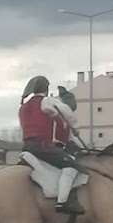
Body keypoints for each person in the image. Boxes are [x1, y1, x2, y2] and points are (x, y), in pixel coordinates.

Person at [18, 75, 82, 214]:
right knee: (71, 165)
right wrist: (74, 125)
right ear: (46, 88)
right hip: (43, 146)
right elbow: (66, 111)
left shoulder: (23, 106)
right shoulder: (47, 101)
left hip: (27, 146)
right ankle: (62, 202)